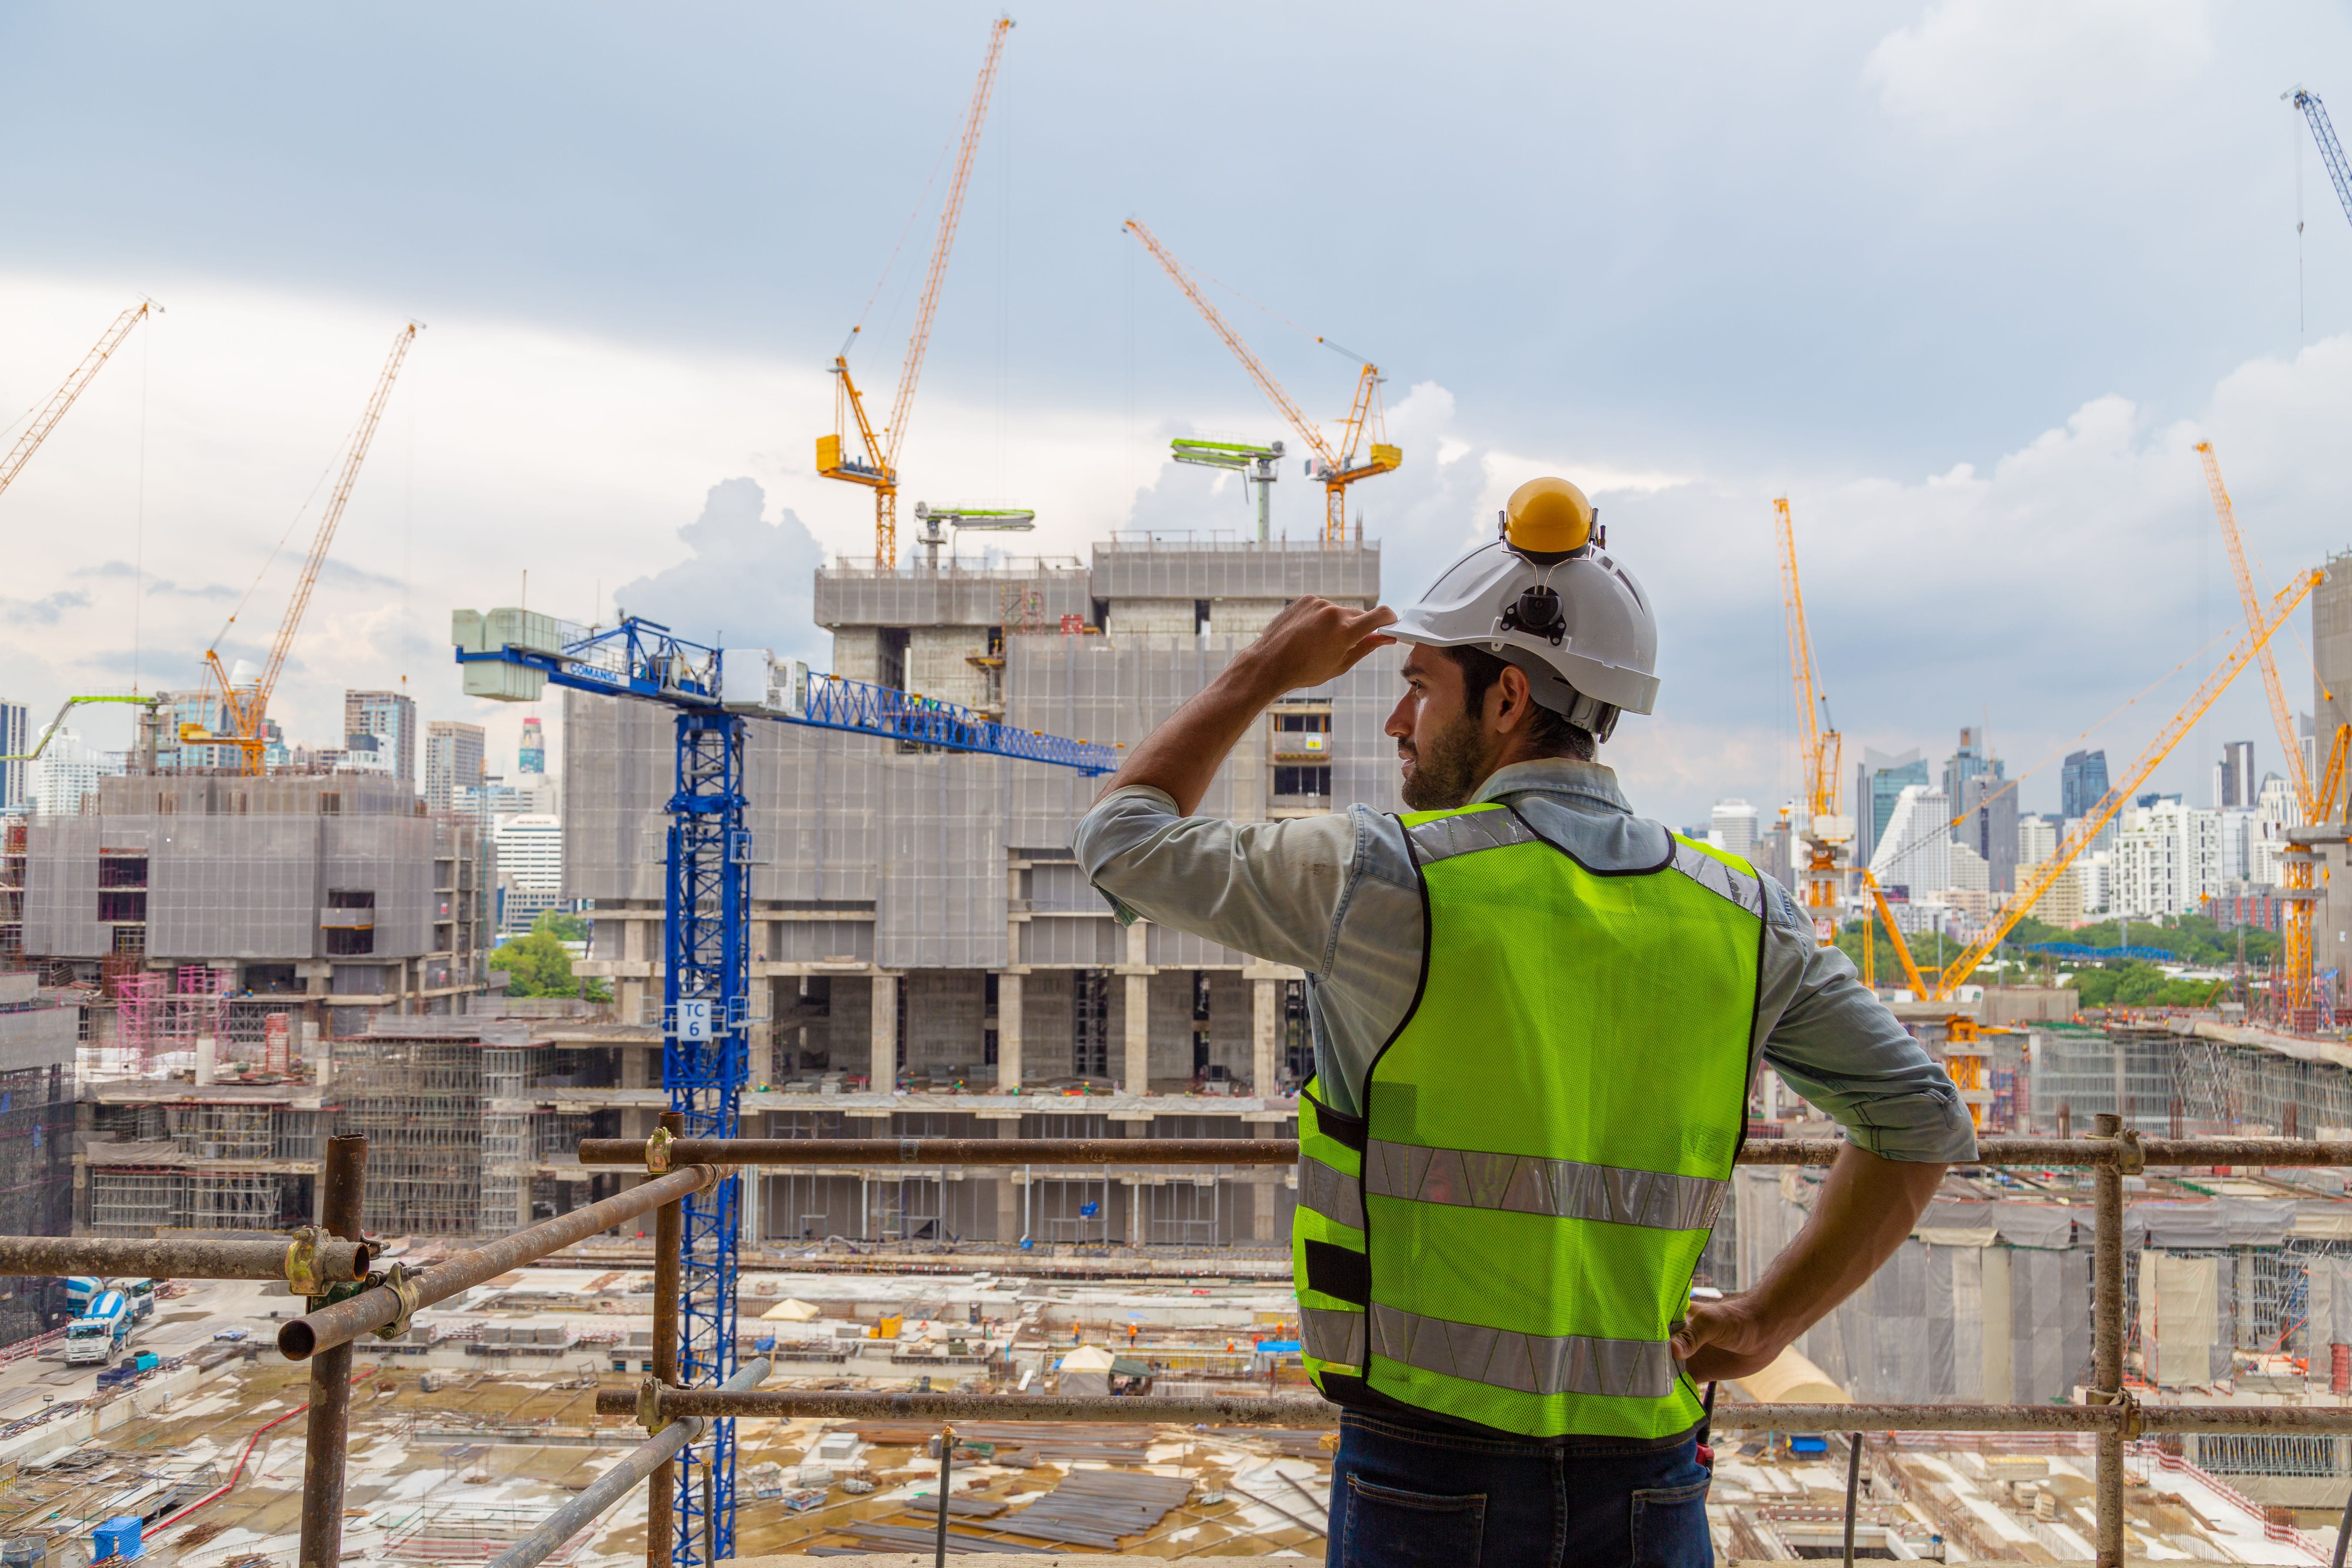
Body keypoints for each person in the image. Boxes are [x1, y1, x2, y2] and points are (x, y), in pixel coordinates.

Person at [1073, 477, 1976, 1567]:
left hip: (1429, 1476)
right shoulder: (1743, 916)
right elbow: (1920, 1118)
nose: (1401, 720)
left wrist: (1263, 671)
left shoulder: (1387, 879)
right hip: (1648, 1475)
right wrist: (1770, 1318)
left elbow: (1123, 842)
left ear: (1506, 700)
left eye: (1418, 687)